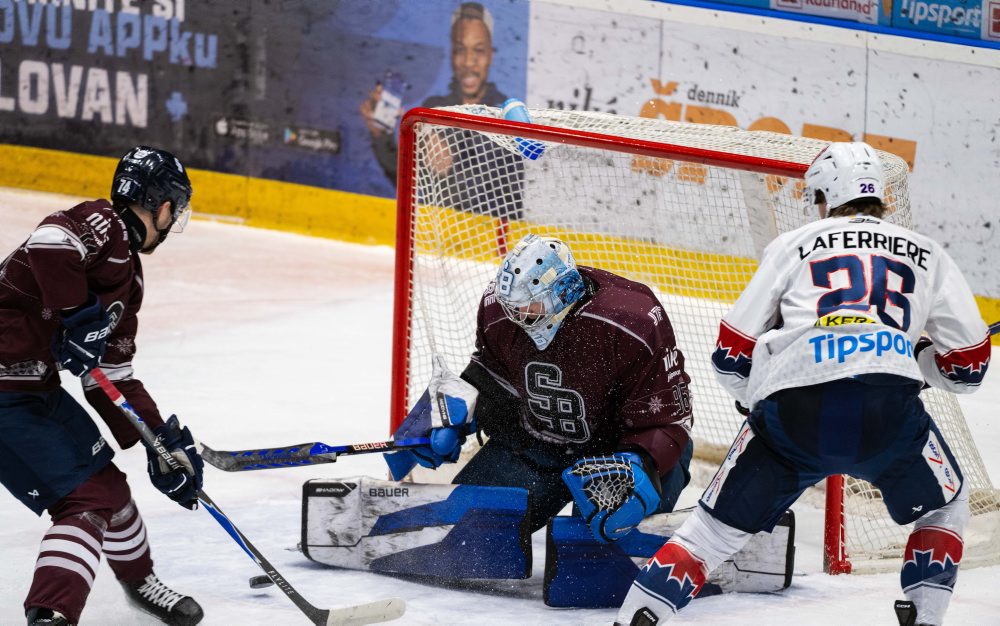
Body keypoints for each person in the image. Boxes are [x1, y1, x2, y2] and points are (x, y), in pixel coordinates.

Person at [615, 142, 991, 626]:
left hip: (792, 415)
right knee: (947, 507)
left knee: (707, 536)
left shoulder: (794, 244)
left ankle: (632, 621)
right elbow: (969, 369)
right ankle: (926, 619)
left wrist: (756, 396)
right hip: (887, 415)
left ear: (830, 195)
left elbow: (730, 355)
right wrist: (918, 356)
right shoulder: (929, 254)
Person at [0, 147, 206, 625]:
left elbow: (113, 376)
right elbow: (49, 242)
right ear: (162, 206)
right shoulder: (101, 222)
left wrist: (160, 443)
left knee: (109, 489)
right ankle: (51, 615)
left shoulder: (128, 280)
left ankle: (138, 581)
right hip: (8, 393)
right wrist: (74, 313)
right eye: (174, 210)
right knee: (86, 500)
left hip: (31, 391)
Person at [392, 233, 695, 538]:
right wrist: (457, 407)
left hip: (614, 456)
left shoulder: (633, 321)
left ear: (563, 292)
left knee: (592, 564)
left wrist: (642, 462)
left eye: (529, 307)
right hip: (537, 444)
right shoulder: (500, 311)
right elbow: (495, 373)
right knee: (458, 536)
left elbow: (669, 417)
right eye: (513, 306)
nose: (516, 316)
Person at [359, 2, 512, 191]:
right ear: (451, 55)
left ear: (491, 55)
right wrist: (380, 135)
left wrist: (448, 170)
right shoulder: (433, 110)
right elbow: (406, 181)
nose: (468, 62)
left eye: (479, 50)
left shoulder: (507, 115)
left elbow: (501, 194)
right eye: (459, 50)